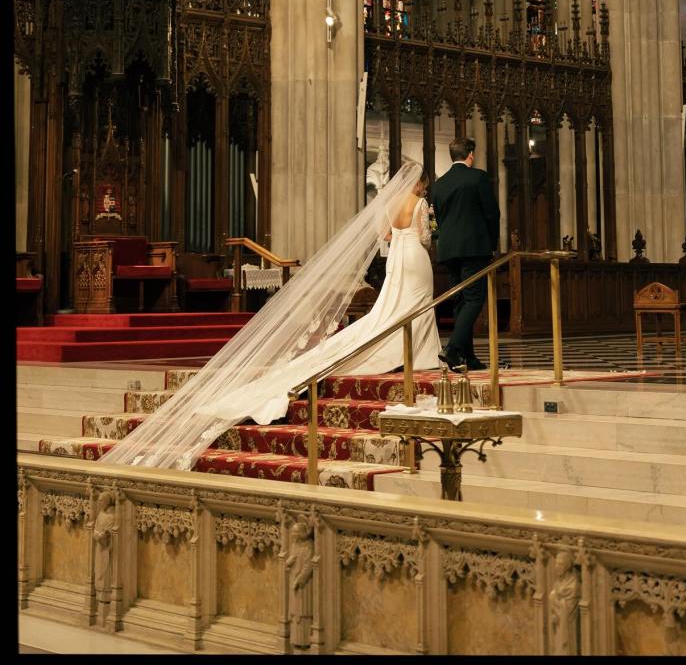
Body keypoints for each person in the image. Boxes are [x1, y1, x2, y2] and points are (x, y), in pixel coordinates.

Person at [98, 160, 439, 470]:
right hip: (416, 259)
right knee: (415, 305)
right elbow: (425, 237)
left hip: (397, 258)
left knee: (391, 310)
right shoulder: (421, 203)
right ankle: (421, 353)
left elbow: (384, 235)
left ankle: (406, 347)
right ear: (419, 183)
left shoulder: (389, 204)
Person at [430, 137, 500, 371]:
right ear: (470, 154)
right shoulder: (478, 177)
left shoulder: (439, 184)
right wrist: (491, 243)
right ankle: (452, 348)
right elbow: (491, 213)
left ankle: (467, 358)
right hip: (473, 247)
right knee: (474, 298)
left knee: (461, 301)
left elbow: (438, 219)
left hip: (449, 250)